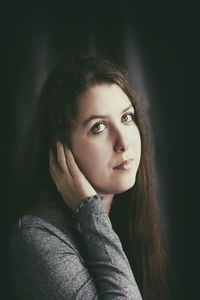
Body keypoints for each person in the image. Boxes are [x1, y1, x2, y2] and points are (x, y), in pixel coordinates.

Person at [8, 56, 174, 299]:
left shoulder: (126, 214)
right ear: (61, 149)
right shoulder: (35, 238)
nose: (123, 142)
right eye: (98, 127)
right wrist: (89, 210)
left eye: (126, 117)